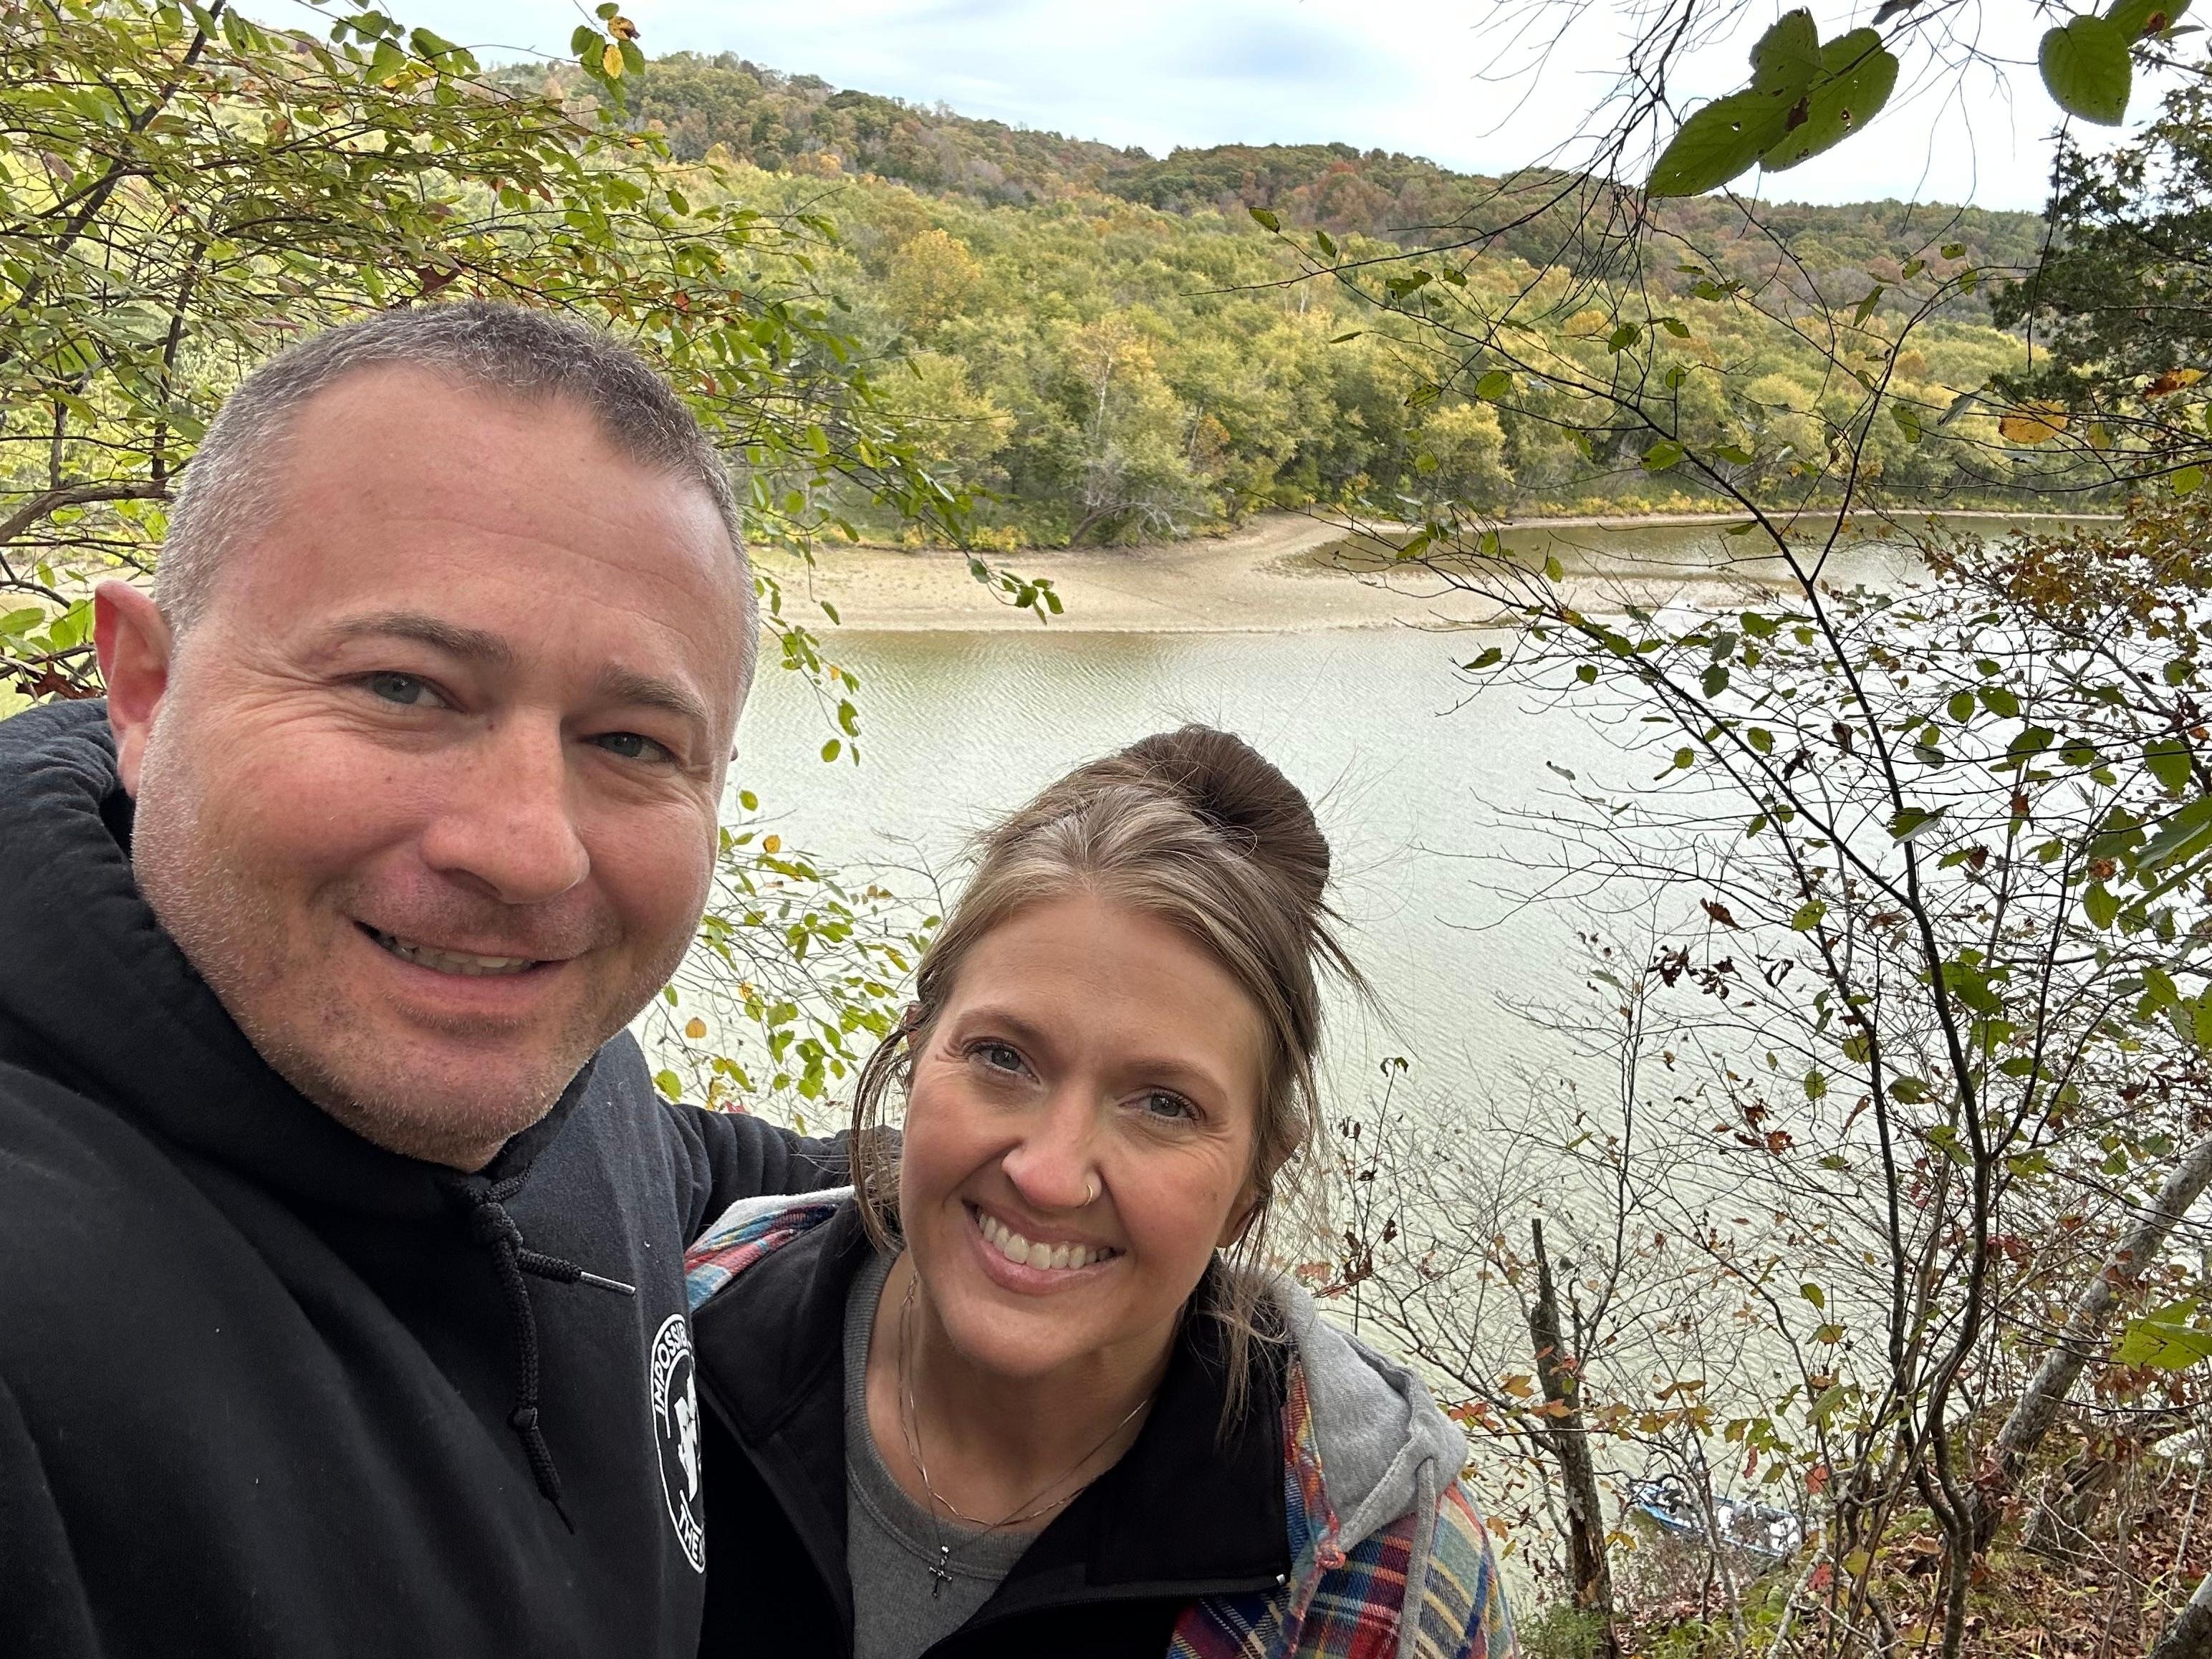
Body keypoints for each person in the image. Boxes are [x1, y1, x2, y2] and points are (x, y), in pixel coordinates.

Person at [0, 302, 857, 1658]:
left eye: (631, 743)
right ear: (146, 689)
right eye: (404, 689)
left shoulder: (543, 1063)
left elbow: (673, 1159)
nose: (527, 851)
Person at [683, 726, 1521, 1659]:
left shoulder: (1377, 1578)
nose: (1049, 1175)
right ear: (918, 1056)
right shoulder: (691, 1334)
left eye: (1164, 1105)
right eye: (1003, 1057)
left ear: (1252, 1182)